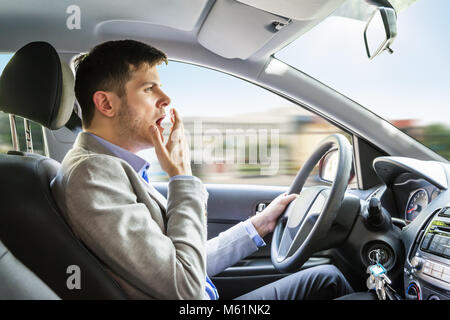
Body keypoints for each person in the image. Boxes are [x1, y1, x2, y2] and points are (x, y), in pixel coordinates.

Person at [52, 39, 353, 300]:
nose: (166, 99)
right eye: (149, 88)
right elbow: (185, 289)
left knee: (327, 277)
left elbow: (183, 263)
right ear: (105, 103)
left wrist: (259, 224)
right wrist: (181, 178)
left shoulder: (112, 167)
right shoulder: (92, 176)